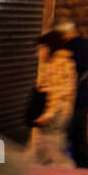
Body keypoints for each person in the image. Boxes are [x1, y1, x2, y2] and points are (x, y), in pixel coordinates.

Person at [27, 30, 76, 167]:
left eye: (39, 49)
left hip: (54, 117)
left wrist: (48, 115)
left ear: (47, 48)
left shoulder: (57, 64)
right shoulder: (62, 62)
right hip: (60, 114)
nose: (37, 54)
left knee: (54, 153)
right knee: (40, 151)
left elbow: (59, 93)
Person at [56, 19, 88, 167]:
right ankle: (83, 166)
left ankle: (80, 167)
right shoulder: (84, 45)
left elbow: (76, 73)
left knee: (74, 136)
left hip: (76, 100)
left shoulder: (73, 47)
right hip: (83, 99)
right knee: (79, 136)